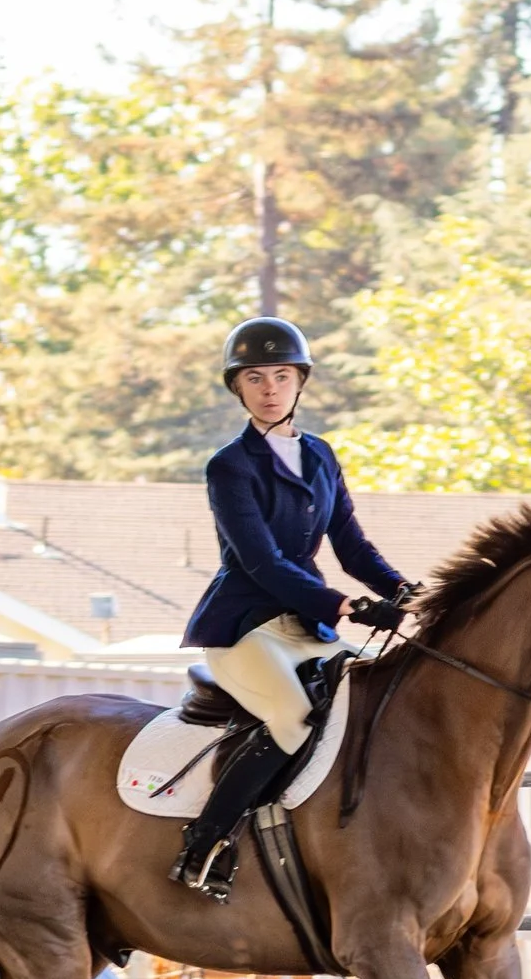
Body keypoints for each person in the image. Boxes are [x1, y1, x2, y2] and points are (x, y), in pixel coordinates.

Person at [172, 316, 417, 899]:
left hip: (305, 623)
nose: (269, 388)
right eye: (255, 379)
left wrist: (403, 590)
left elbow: (351, 543)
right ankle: (203, 845)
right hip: (245, 627)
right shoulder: (229, 466)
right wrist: (347, 604)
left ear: (299, 381)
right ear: (239, 388)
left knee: (378, 696)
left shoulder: (321, 455)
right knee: (292, 716)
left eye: (281, 376)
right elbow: (261, 562)